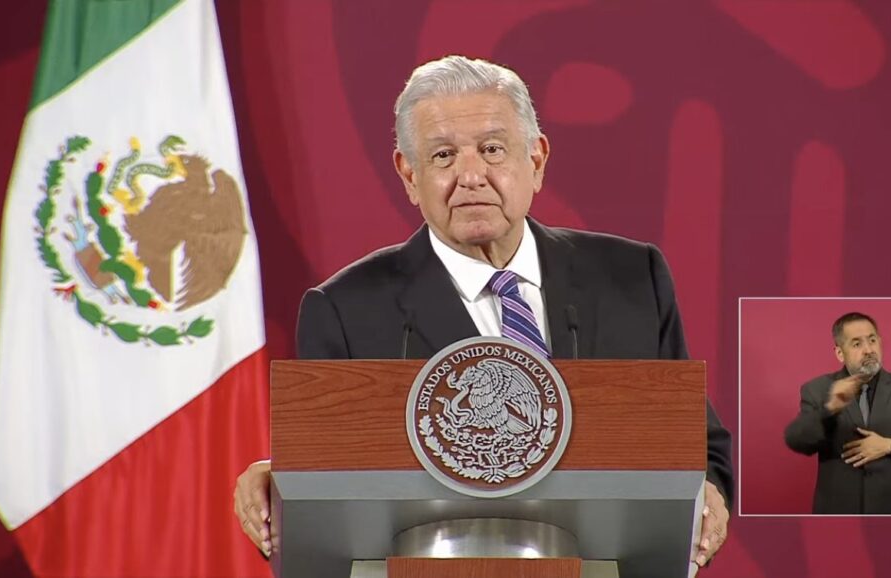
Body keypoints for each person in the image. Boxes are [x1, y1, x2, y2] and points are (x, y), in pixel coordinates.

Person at [233, 55, 733, 566]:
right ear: (409, 175)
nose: (471, 176)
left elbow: (699, 447)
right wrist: (282, 487)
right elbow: (327, 484)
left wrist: (709, 497)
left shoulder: (631, 278)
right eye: (444, 155)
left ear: (536, 160)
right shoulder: (346, 311)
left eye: (492, 149)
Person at [784, 312, 891, 514]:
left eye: (872, 340)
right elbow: (797, 440)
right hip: (836, 515)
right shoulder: (817, 389)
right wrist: (830, 409)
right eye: (857, 344)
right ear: (840, 353)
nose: (868, 350)